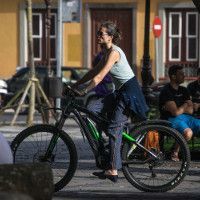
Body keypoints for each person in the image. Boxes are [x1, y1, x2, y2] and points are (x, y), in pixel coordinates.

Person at [71, 21, 149, 182]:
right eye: (97, 33)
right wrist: (75, 84)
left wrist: (84, 91)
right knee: (91, 109)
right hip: (119, 92)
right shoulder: (105, 53)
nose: (98, 36)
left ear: (110, 37)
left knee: (114, 127)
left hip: (129, 93)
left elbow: (100, 77)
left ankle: (112, 169)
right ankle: (107, 144)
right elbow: (93, 72)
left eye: (101, 33)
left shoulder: (114, 53)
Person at [159, 65, 200, 161]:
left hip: (187, 118)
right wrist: (185, 105)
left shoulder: (184, 90)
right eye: (181, 74)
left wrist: (182, 108)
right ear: (173, 76)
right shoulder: (166, 91)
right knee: (188, 133)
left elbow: (191, 110)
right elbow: (175, 113)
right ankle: (174, 152)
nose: (184, 76)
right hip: (171, 119)